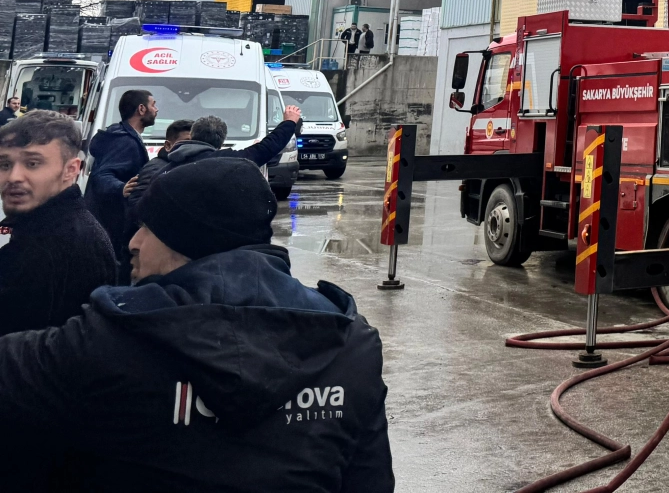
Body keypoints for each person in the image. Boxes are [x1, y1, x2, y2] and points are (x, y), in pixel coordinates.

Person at [0, 155, 394, 491]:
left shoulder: (113, 339)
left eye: (148, 228)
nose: (133, 242)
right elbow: (370, 480)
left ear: (186, 239)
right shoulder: (351, 345)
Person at [0, 111, 116, 335]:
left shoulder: (53, 247)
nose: (13, 176)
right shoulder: (47, 229)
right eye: (4, 164)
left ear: (71, 169)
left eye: (32, 163)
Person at [86, 89, 157, 264]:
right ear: (141, 109)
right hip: (112, 225)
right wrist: (121, 188)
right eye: (153, 105)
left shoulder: (121, 135)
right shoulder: (125, 141)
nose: (156, 110)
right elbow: (102, 175)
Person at [163, 107, 299, 171]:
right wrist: (290, 122)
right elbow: (268, 147)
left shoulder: (165, 167)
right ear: (222, 141)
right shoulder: (229, 160)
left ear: (192, 136)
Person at [122, 118, 193, 225]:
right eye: (186, 142)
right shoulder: (156, 169)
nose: (192, 147)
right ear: (168, 146)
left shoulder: (189, 166)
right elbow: (137, 208)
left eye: (196, 142)